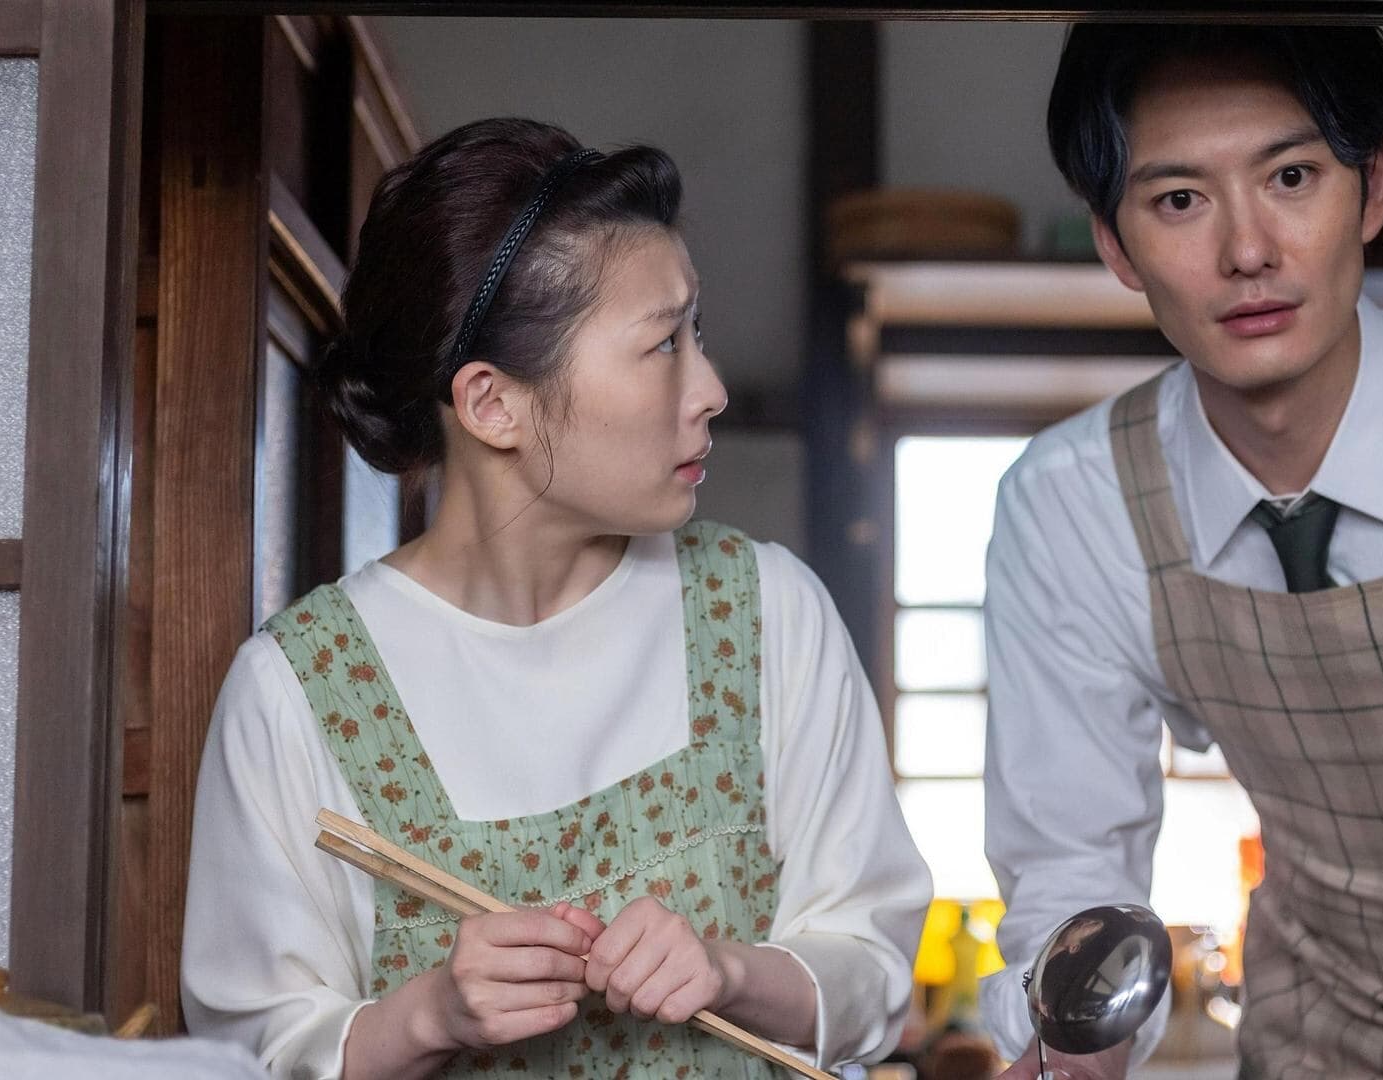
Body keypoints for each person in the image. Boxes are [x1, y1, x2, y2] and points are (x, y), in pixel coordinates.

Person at [181, 117, 931, 1080]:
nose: (710, 389)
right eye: (663, 345)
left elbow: (874, 968)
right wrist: (429, 1015)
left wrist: (730, 970)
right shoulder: (298, 691)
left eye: (696, 333)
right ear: (492, 404)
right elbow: (250, 1054)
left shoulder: (764, 612)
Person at [981, 26, 1383, 1080]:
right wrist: (1077, 1046)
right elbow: (1070, 855)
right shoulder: (1074, 504)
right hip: (1316, 1045)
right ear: (1115, 245)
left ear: (1372, 186)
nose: (1248, 251)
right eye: (1180, 200)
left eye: (1291, 177)